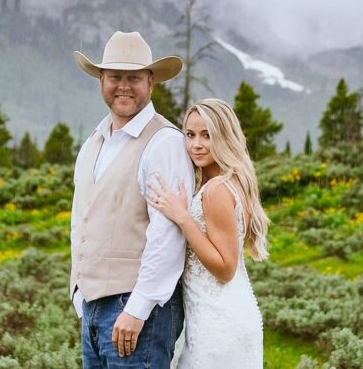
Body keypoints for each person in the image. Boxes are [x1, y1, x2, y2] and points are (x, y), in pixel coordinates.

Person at [70, 31, 195, 368]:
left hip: (139, 311)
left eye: (134, 77)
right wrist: (78, 295)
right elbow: (79, 220)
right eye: (115, 77)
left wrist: (138, 307)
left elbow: (167, 233)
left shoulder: (163, 142)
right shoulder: (93, 143)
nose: (123, 85)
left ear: (151, 82)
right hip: (94, 308)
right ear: (101, 80)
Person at [146, 98, 269, 368]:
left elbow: (226, 268)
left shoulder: (217, 190)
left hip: (219, 323)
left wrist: (182, 217)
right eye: (190, 135)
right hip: (223, 316)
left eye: (207, 135)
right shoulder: (227, 182)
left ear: (224, 136)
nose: (196, 144)